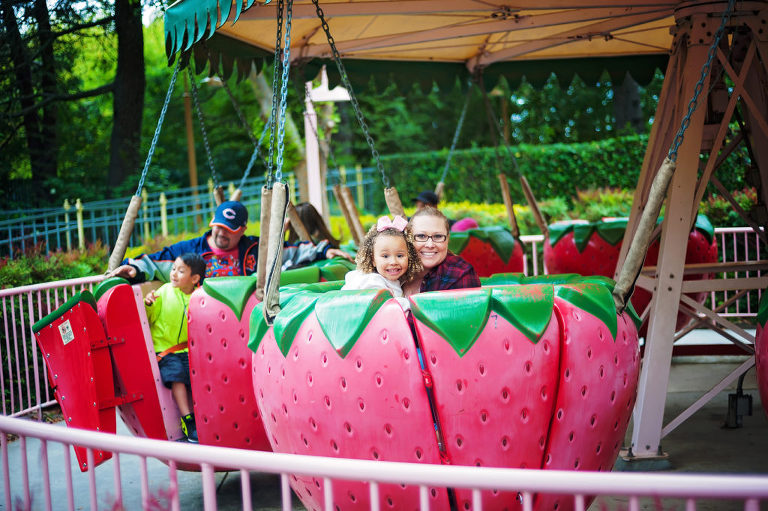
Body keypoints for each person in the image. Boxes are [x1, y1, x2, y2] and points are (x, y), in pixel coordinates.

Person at [110, 200, 351, 284]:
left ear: (242, 230)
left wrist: (324, 251)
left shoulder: (254, 248)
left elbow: (289, 252)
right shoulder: (191, 250)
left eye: (230, 230)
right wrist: (135, 268)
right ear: (212, 223)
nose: (222, 234)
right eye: (219, 228)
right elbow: (156, 262)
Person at [144, 253, 205, 443]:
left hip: (189, 350)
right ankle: (188, 420)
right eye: (173, 269)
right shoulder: (164, 291)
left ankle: (206, 416)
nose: (174, 274)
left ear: (194, 278)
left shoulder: (199, 297)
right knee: (177, 375)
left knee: (199, 374)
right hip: (166, 350)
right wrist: (148, 304)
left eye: (181, 271)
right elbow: (150, 317)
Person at [341, 215, 422, 310]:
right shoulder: (372, 281)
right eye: (385, 256)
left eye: (399, 256)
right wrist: (414, 305)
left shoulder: (396, 280)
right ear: (373, 260)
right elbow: (387, 306)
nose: (393, 262)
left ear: (409, 256)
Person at [402, 206, 480, 296]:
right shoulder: (395, 267)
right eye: (421, 236)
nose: (430, 245)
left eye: (438, 236)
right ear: (408, 238)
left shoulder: (460, 274)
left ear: (447, 239)